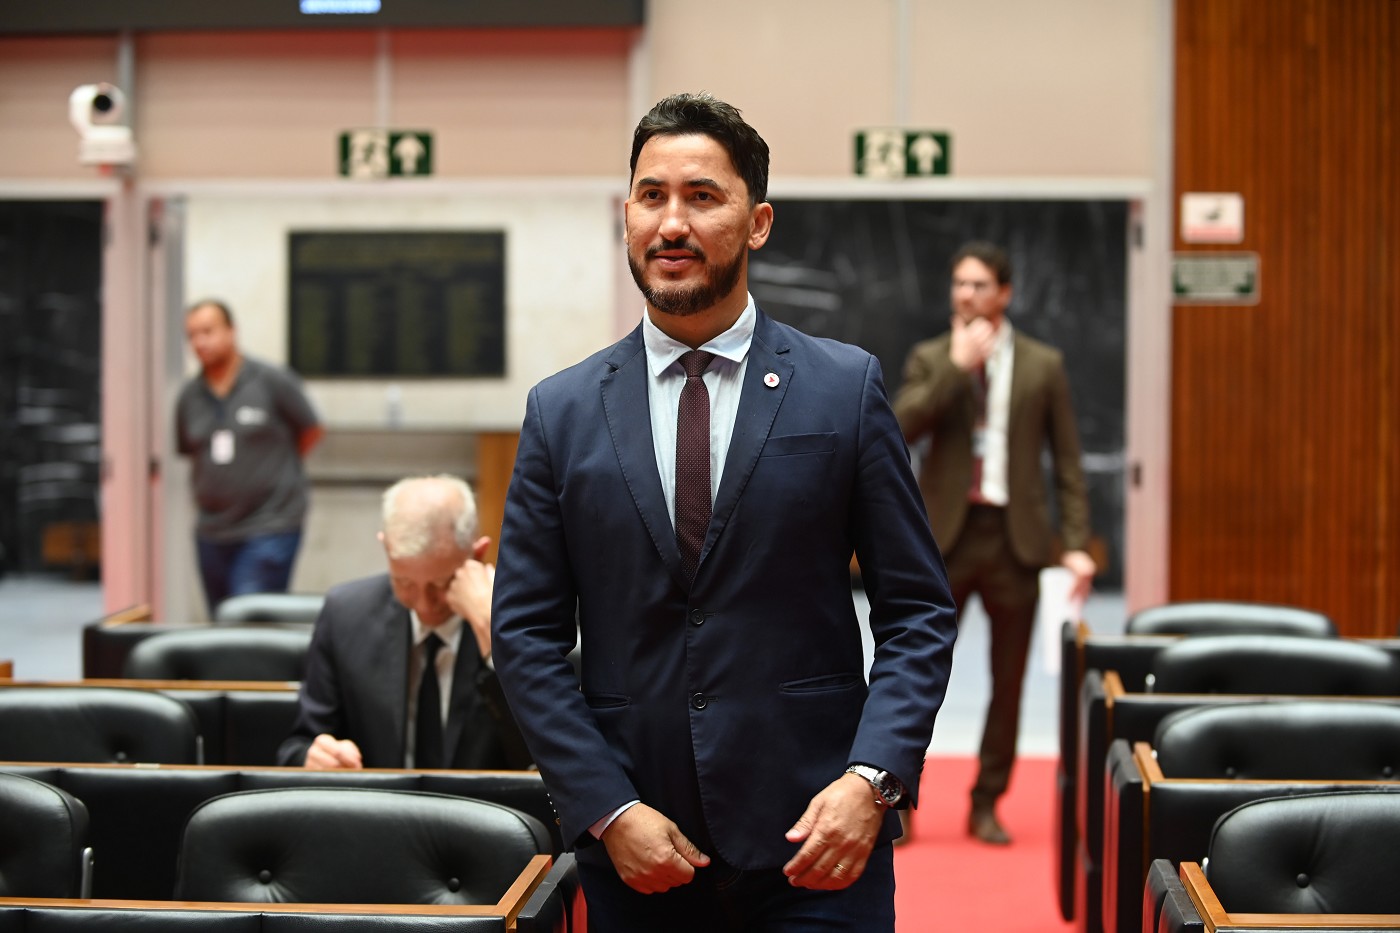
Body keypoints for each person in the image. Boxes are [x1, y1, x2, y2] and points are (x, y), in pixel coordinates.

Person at [491, 92, 958, 933]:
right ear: (627, 216)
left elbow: (918, 610)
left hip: (819, 843)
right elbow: (525, 634)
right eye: (651, 196)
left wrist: (872, 782)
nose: (672, 223)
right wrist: (604, 807)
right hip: (639, 852)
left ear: (758, 222)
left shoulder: (842, 389)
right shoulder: (561, 411)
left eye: (702, 196)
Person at [892, 240, 1097, 845]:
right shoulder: (932, 357)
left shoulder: (1043, 364)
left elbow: (1068, 461)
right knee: (918, 672)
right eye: (959, 283)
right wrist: (956, 368)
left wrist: (1076, 541)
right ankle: (900, 797)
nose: (966, 294)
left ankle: (986, 801)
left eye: (979, 285)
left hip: (1015, 540)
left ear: (1004, 293)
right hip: (944, 539)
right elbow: (897, 427)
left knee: (1007, 683)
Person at [277, 474, 531, 771]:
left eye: (440, 583)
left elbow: (540, 756)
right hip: (381, 800)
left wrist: (493, 638)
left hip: (484, 801)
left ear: (477, 554)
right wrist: (315, 757)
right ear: (386, 548)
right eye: (405, 582)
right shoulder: (345, 615)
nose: (424, 605)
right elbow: (297, 745)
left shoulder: (519, 618)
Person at [175, 299, 324, 616]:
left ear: (232, 331)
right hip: (212, 530)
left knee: (245, 618)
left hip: (270, 523)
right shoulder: (189, 396)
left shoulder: (271, 380)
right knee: (220, 619)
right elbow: (190, 451)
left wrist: (276, 467)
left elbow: (311, 430)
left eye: (208, 331)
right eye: (192, 335)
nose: (200, 342)